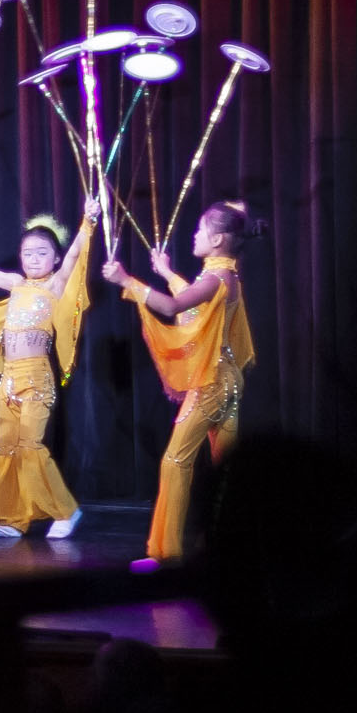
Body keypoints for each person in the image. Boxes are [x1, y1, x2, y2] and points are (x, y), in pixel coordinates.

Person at [102, 201, 259, 564]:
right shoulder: (223, 277)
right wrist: (166, 272)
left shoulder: (216, 279)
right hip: (227, 381)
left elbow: (174, 308)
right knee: (225, 470)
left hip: (212, 384)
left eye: (201, 229)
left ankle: (166, 554)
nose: (195, 235)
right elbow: (192, 303)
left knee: (175, 462)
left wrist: (128, 282)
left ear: (217, 239)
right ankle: (231, 549)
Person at [0, 201, 99, 540]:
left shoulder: (55, 285)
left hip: (36, 377)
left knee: (30, 446)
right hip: (9, 378)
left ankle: (66, 510)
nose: (33, 259)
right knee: (7, 449)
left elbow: (76, 254)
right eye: (27, 253)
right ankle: (7, 519)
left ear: (55, 259)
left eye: (42, 253)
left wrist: (88, 222)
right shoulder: (16, 283)